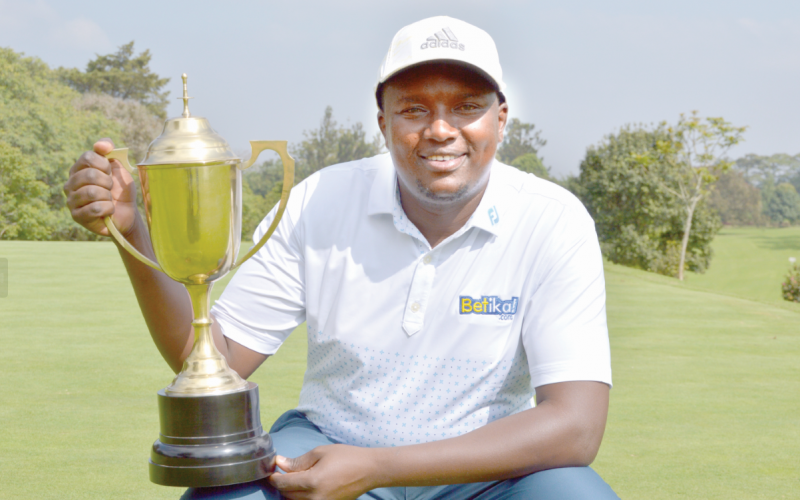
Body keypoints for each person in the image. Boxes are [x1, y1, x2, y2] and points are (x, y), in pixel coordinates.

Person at [64, 16, 618, 500]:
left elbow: (575, 427)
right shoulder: (319, 201)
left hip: (490, 467)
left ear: (501, 119)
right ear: (383, 124)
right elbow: (210, 359)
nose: (441, 129)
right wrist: (133, 231)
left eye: (467, 107)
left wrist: (379, 467)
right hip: (328, 443)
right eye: (414, 109)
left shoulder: (553, 219)